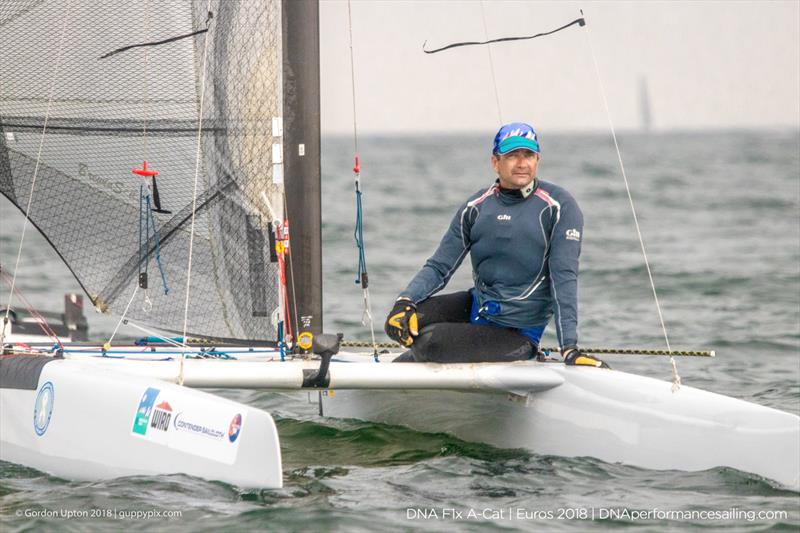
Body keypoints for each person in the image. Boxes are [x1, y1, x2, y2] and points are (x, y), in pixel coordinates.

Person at [384, 122, 608, 367]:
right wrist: (404, 301)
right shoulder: (477, 207)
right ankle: (405, 367)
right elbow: (440, 266)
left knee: (431, 343)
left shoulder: (558, 207)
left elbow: (563, 277)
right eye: (512, 155)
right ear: (495, 162)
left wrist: (569, 349)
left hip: (518, 333)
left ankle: (528, 353)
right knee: (400, 320)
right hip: (477, 310)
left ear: (537, 160)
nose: (522, 163)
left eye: (529, 155)